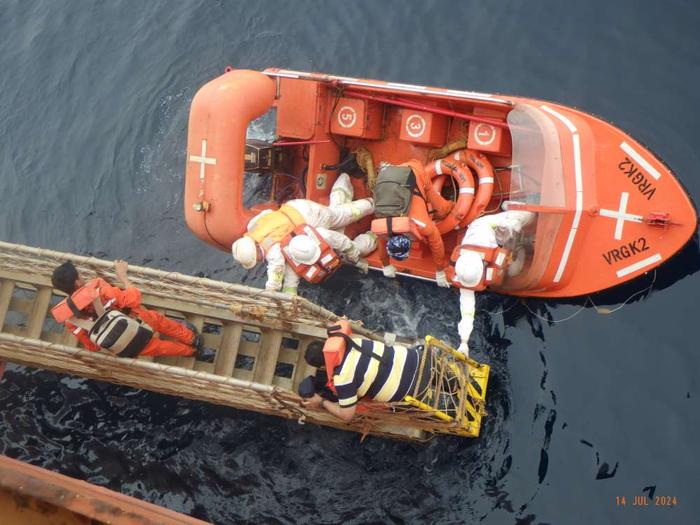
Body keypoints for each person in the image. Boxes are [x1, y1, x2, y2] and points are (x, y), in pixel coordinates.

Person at [230, 173, 375, 293]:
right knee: (337, 211)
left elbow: (277, 268)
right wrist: (289, 294)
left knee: (341, 215)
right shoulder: (254, 226)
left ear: (256, 251)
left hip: (311, 218)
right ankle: (343, 181)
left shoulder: (272, 248)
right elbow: (268, 213)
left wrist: (271, 291)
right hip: (296, 207)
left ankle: (373, 204)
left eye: (257, 258)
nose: (260, 259)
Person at [51, 260, 215, 361]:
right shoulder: (98, 287)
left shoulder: (69, 321)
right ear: (77, 283)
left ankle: (193, 352)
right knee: (158, 321)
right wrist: (123, 277)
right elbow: (133, 298)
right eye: (79, 276)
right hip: (136, 321)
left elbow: (93, 347)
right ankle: (193, 339)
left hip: (126, 345)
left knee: (161, 348)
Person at [299, 321, 427, 422]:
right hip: (421, 359)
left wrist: (321, 401)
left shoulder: (342, 378)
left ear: (322, 367)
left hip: (413, 390)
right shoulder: (354, 341)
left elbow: (347, 415)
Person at [451, 209, 535, 356]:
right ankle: (523, 250)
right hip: (498, 245)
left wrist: (511, 224)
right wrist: (464, 341)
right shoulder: (465, 272)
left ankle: (522, 227)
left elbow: (493, 223)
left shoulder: (481, 237)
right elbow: (467, 309)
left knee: (529, 216)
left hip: (496, 228)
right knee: (513, 270)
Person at [372, 161, 454, 287]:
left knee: (441, 209)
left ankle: (451, 204)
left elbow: (436, 243)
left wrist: (440, 271)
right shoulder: (384, 227)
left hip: (415, 170)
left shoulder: (421, 224)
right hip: (394, 173)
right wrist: (385, 265)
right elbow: (381, 243)